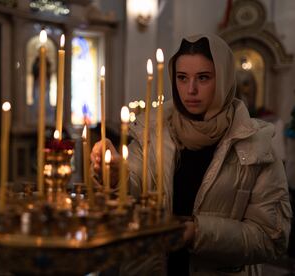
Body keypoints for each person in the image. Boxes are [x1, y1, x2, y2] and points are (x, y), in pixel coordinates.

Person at [91, 34, 291, 275]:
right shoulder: (152, 133)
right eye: (182, 78)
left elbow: (271, 238)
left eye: (203, 78)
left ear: (225, 79)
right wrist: (114, 175)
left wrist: (197, 233)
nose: (191, 90)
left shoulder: (256, 145)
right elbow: (132, 188)